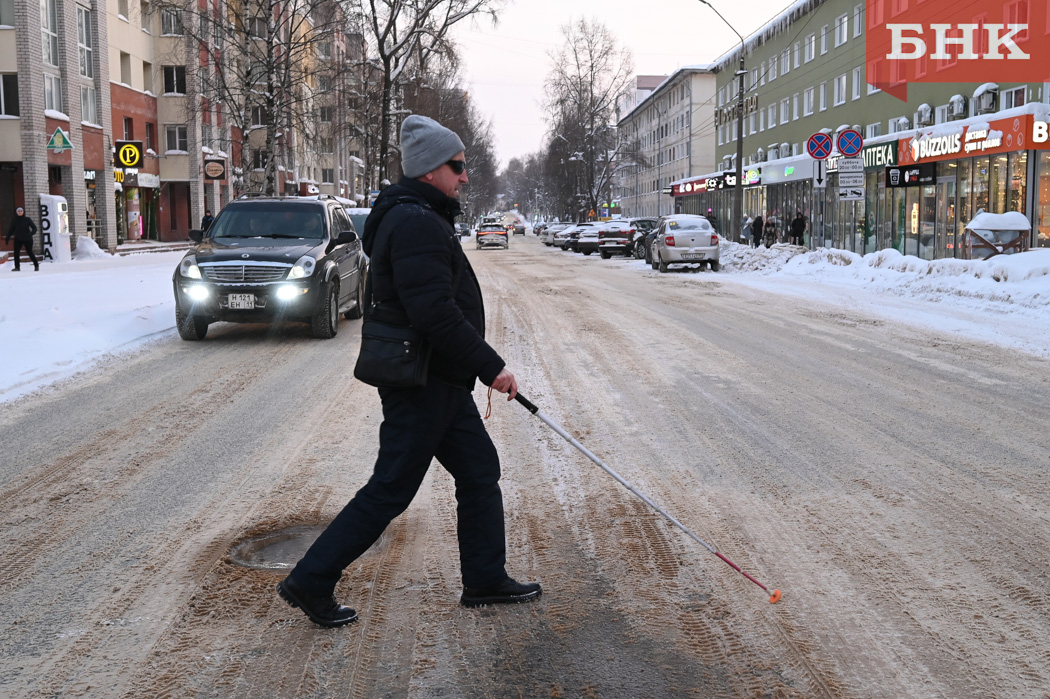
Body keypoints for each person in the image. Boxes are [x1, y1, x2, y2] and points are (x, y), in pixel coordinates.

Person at [277, 115, 541, 628]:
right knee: (392, 488)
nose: (464, 176)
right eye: (457, 166)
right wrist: (492, 368)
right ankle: (312, 579)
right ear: (429, 170)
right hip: (423, 382)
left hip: (437, 379)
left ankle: (485, 578)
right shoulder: (417, 221)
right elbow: (435, 314)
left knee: (479, 471)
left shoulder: (419, 214)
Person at [5, 206, 39, 272]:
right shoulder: (14, 221)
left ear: (23, 212)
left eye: (21, 211)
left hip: (27, 239)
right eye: (19, 211)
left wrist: (31, 234)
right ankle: (17, 267)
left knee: (29, 252)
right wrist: (7, 237)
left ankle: (36, 265)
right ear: (16, 212)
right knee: (16, 253)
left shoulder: (27, 219)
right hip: (18, 239)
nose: (20, 212)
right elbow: (11, 230)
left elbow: (34, 228)